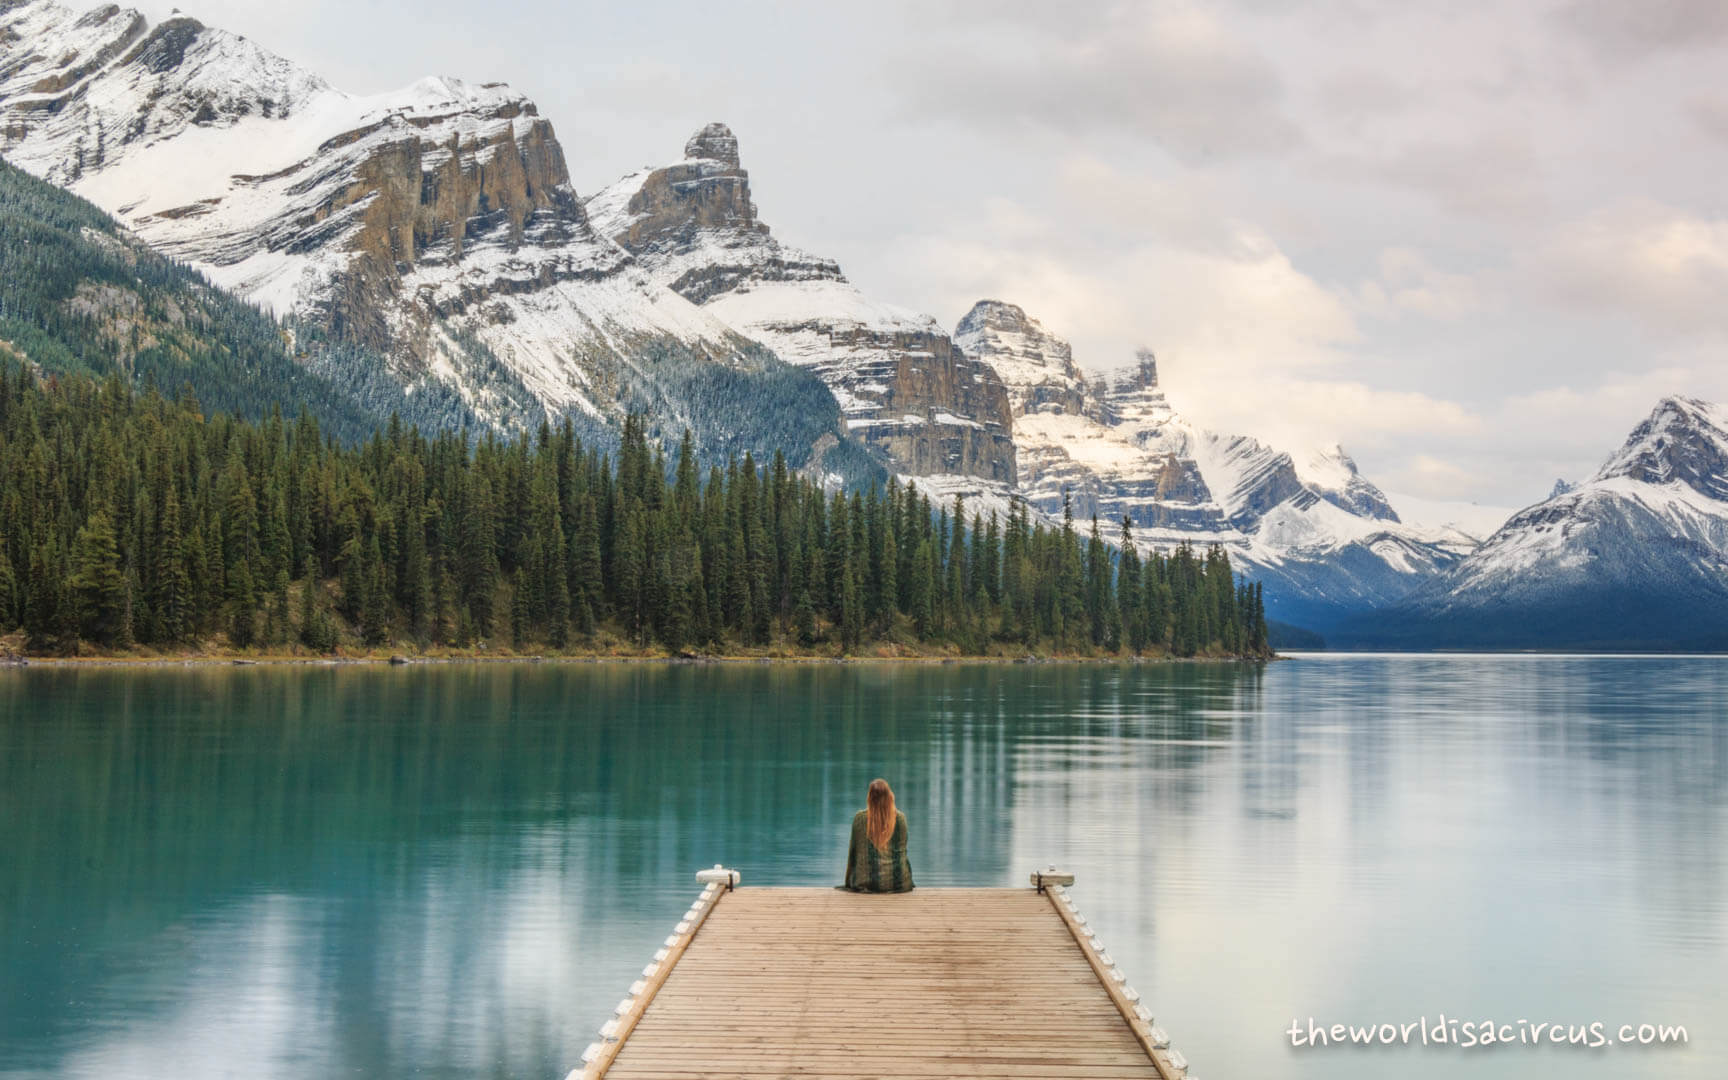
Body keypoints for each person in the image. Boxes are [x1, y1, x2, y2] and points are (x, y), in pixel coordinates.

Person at [844, 778, 914, 893]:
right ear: (889, 796)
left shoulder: (859, 818)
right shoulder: (900, 818)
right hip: (898, 882)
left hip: (865, 882)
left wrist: (849, 882)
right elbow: (903, 850)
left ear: (869, 798)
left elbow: (853, 853)